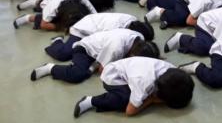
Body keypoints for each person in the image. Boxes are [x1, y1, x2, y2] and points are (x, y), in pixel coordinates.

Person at [73, 57, 194, 117]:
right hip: (113, 76)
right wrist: (151, 100)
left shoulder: (173, 71)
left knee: (138, 97)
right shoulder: (144, 83)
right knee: (124, 101)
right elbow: (130, 111)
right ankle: (91, 101)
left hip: (132, 70)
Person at [30, 29, 159, 83]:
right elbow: (103, 71)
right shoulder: (116, 47)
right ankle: (50, 68)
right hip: (85, 49)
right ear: (133, 54)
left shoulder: (140, 38)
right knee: (78, 74)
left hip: (101, 47)